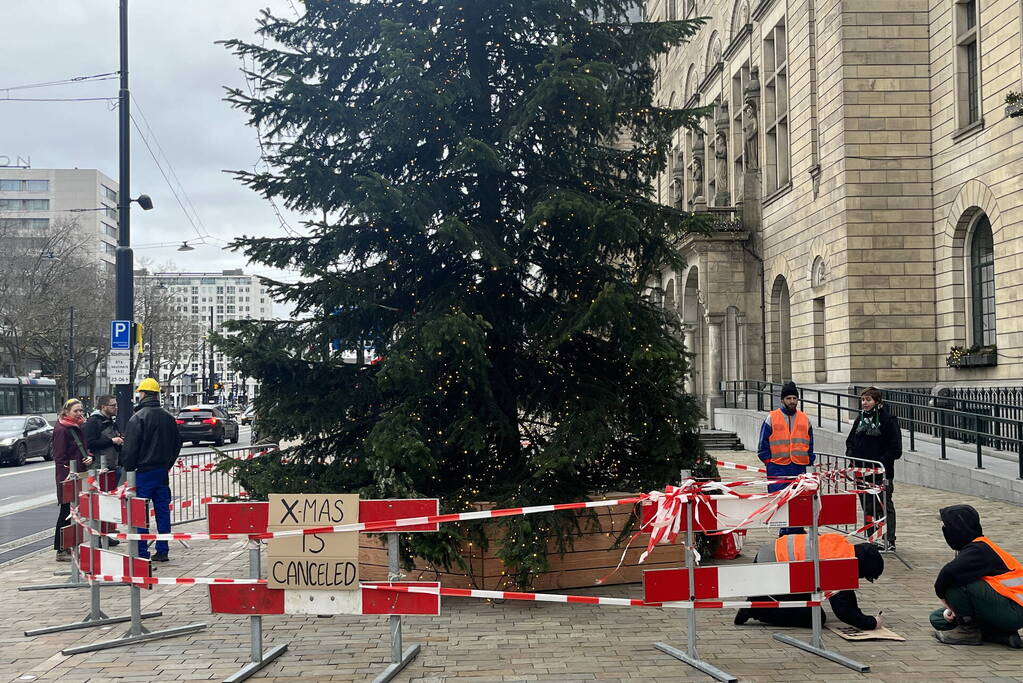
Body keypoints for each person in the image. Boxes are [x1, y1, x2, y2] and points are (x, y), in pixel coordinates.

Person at [734, 532, 885, 629]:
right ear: (862, 567)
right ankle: (757, 608)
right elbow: (844, 610)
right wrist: (871, 623)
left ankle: (760, 600)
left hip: (769, 558)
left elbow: (846, 595)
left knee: (811, 600)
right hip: (770, 570)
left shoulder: (841, 547)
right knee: (815, 617)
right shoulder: (839, 565)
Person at [931, 505, 1023, 648]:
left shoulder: (979, 549)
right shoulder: (973, 547)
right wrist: (951, 609)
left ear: (958, 528)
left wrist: (943, 597)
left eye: (946, 526)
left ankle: (968, 632)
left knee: (955, 583)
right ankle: (1000, 635)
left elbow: (948, 573)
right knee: (938, 618)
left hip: (1013, 611)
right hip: (1005, 608)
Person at [121, 378, 181, 562]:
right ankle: (163, 549)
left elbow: (130, 449)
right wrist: (167, 464)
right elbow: (177, 444)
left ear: (143, 394)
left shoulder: (137, 418)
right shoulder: (169, 418)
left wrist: (128, 470)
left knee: (140, 514)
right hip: (161, 471)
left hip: (142, 472)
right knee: (162, 511)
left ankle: (141, 552)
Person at [845, 387, 902, 549]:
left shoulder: (888, 420)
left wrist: (880, 462)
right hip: (861, 473)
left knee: (884, 505)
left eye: (868, 400)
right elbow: (850, 441)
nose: (864, 403)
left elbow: (896, 449)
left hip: (881, 473)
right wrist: (852, 455)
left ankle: (888, 539)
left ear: (877, 401)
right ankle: (873, 537)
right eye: (863, 400)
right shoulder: (860, 419)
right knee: (868, 505)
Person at [757, 381, 815, 534]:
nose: (792, 401)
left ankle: (795, 530)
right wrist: (768, 462)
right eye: (788, 398)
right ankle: (785, 531)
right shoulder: (772, 418)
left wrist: (809, 462)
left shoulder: (805, 419)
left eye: (794, 398)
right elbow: (763, 444)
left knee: (798, 499)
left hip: (799, 466)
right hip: (777, 466)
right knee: (780, 501)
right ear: (782, 400)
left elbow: (810, 443)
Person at [52, 399, 93, 562]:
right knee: (66, 512)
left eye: (81, 410)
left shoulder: (76, 426)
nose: (79, 414)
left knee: (73, 512)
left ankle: (69, 546)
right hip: (68, 477)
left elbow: (83, 448)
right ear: (67, 412)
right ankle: (61, 549)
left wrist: (89, 456)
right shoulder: (62, 429)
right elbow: (60, 457)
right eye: (76, 411)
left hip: (78, 473)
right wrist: (69, 475)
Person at [83, 394, 124, 477]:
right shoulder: (93, 421)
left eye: (116, 405)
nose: (116, 407)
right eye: (113, 405)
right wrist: (112, 441)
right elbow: (90, 443)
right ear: (103, 407)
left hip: (113, 466)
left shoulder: (111, 421)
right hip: (100, 468)